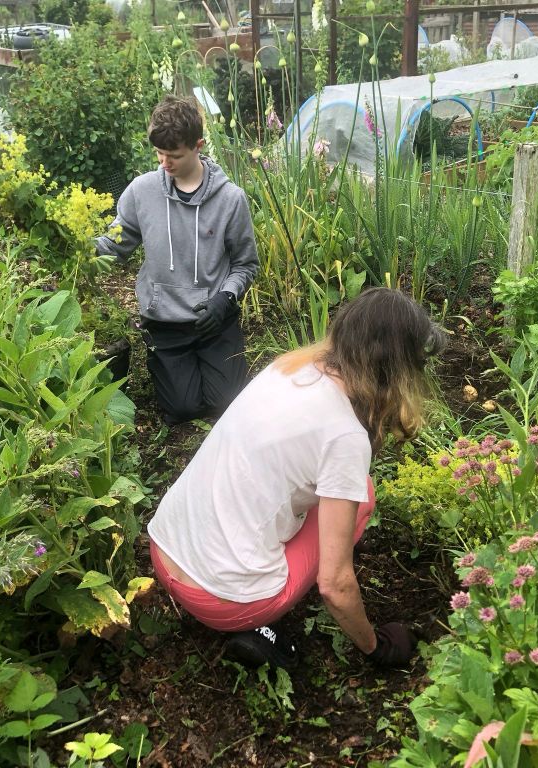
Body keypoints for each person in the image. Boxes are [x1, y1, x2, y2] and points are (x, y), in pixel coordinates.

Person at [146, 288, 447, 669]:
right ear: (399, 369)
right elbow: (334, 587)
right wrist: (378, 647)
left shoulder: (288, 367)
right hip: (223, 601)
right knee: (362, 497)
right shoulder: (346, 437)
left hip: (165, 547)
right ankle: (260, 625)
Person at [95, 95, 258, 425]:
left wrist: (226, 299)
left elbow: (246, 263)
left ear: (198, 145)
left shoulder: (230, 199)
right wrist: (75, 247)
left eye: (174, 155)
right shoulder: (142, 191)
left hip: (213, 321)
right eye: (159, 153)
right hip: (164, 322)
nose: (164, 162)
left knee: (226, 403)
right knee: (182, 409)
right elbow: (115, 244)